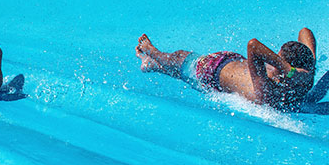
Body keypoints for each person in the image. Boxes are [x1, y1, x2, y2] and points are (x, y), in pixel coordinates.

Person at [135, 28, 317, 111]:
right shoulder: (306, 77)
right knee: (181, 71)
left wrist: (285, 68)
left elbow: (253, 45)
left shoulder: (266, 91)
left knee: (178, 60)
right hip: (235, 61)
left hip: (210, 70)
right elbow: (305, 31)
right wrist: (309, 63)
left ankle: (152, 53)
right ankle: (150, 65)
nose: (273, 63)